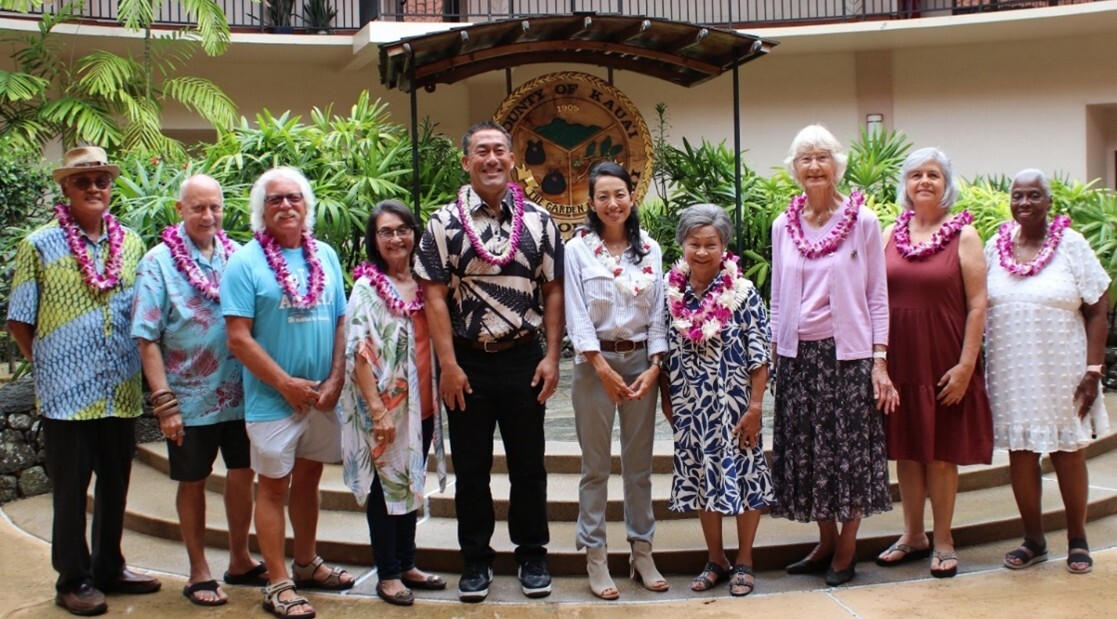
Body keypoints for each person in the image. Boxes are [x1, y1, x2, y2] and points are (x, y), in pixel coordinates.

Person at [414, 121, 564, 602]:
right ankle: (475, 562)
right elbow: (433, 297)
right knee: (472, 470)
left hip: (525, 358)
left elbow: (554, 290)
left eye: (500, 150)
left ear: (513, 159)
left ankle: (531, 555)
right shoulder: (442, 223)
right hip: (468, 363)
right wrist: (448, 366)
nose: (492, 159)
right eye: (482, 151)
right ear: (466, 162)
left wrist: (553, 357)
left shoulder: (540, 221)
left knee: (528, 465)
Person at [6, 146, 159, 616]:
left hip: (120, 389)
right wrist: (53, 366)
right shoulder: (39, 245)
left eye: (101, 180)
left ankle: (109, 567)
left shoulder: (131, 243)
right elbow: (19, 320)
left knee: (115, 483)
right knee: (71, 491)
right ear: (65, 187)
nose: (94, 187)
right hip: (67, 396)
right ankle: (73, 579)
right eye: (83, 180)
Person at [220, 167, 353, 619]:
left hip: (322, 397)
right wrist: (285, 384)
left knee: (311, 478)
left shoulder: (327, 256)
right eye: (274, 199)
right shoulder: (244, 261)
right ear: (262, 209)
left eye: (293, 197)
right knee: (274, 487)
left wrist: (336, 378)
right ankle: (277, 582)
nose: (285, 205)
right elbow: (238, 337)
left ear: (306, 204)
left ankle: (307, 562)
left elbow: (341, 321)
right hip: (273, 400)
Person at [769, 124, 897, 587]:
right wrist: (772, 356)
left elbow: (877, 296)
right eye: (805, 159)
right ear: (795, 169)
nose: (814, 166)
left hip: (849, 358)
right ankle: (825, 540)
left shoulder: (862, 222)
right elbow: (779, 297)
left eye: (822, 157)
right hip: (798, 358)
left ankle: (846, 548)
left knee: (849, 453)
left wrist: (879, 360)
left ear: (836, 165)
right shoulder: (784, 225)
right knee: (809, 452)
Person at [131, 174, 267, 606]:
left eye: (215, 208)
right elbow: (146, 337)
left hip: (242, 392)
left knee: (243, 475)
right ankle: (198, 570)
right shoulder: (157, 262)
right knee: (193, 480)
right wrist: (164, 402)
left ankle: (241, 559)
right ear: (180, 209)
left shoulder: (239, 256)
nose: (208, 216)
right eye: (198, 208)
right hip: (188, 400)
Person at [985, 169, 1111, 574]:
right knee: (1021, 454)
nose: (1025, 203)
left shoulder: (1071, 245)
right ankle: (1033, 540)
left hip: (1062, 365)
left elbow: (1097, 307)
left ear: (1049, 202)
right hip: (1011, 368)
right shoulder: (994, 246)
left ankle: (1077, 539)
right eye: (1018, 195)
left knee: (1067, 451)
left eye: (1034, 195)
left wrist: (1094, 368)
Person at [876, 148, 993, 578]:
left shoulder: (964, 235)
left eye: (934, 175)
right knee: (907, 450)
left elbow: (979, 305)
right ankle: (913, 534)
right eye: (915, 175)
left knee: (942, 453)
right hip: (901, 359)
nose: (924, 181)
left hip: (944, 359)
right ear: (905, 185)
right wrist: (879, 361)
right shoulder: (891, 232)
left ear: (947, 185)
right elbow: (876, 297)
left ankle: (943, 538)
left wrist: (966, 366)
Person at [563, 162, 668, 600]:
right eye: (603, 196)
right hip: (594, 365)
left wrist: (656, 367)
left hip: (642, 361)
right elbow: (575, 313)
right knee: (595, 468)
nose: (613, 203)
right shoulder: (578, 250)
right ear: (591, 203)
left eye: (620, 194)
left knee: (639, 466)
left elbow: (660, 312)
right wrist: (601, 369)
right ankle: (596, 556)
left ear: (632, 196)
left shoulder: (650, 248)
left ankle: (642, 552)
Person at [660, 204, 775, 597]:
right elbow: (662, 351)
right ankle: (716, 559)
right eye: (695, 243)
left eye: (712, 244)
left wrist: (756, 407)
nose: (703, 251)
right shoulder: (669, 291)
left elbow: (760, 354)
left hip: (735, 406)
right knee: (700, 478)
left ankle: (745, 560)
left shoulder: (742, 293)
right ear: (683, 244)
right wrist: (666, 398)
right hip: (691, 405)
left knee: (743, 477)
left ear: (724, 247)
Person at [339, 200, 448, 607]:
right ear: (374, 239)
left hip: (422, 405)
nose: (396, 238)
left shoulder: (424, 283)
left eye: (402, 229)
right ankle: (387, 573)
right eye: (386, 232)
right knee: (387, 490)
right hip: (383, 408)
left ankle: (407, 564)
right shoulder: (368, 287)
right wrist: (377, 409)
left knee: (409, 484)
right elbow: (357, 352)